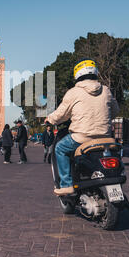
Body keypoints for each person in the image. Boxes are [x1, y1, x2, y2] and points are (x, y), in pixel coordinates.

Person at [45, 59, 119, 196]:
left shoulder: (74, 92)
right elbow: (115, 111)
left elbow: (61, 114)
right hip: (105, 136)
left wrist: (49, 119)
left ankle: (66, 184)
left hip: (82, 137)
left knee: (60, 148)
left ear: (77, 74)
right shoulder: (106, 90)